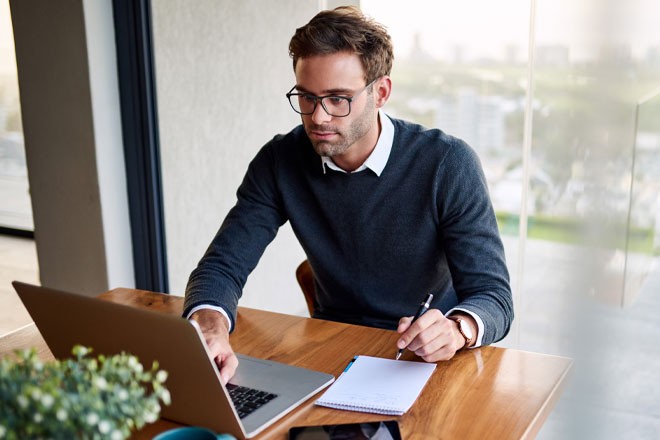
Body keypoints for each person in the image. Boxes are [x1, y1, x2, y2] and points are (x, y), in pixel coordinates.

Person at [183, 6, 513, 383]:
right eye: (306, 97)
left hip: (429, 361)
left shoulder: (447, 164)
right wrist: (209, 326)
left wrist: (457, 330)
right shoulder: (279, 161)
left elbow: (494, 297)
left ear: (381, 92)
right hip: (333, 350)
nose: (318, 117)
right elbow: (222, 265)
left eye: (338, 98)